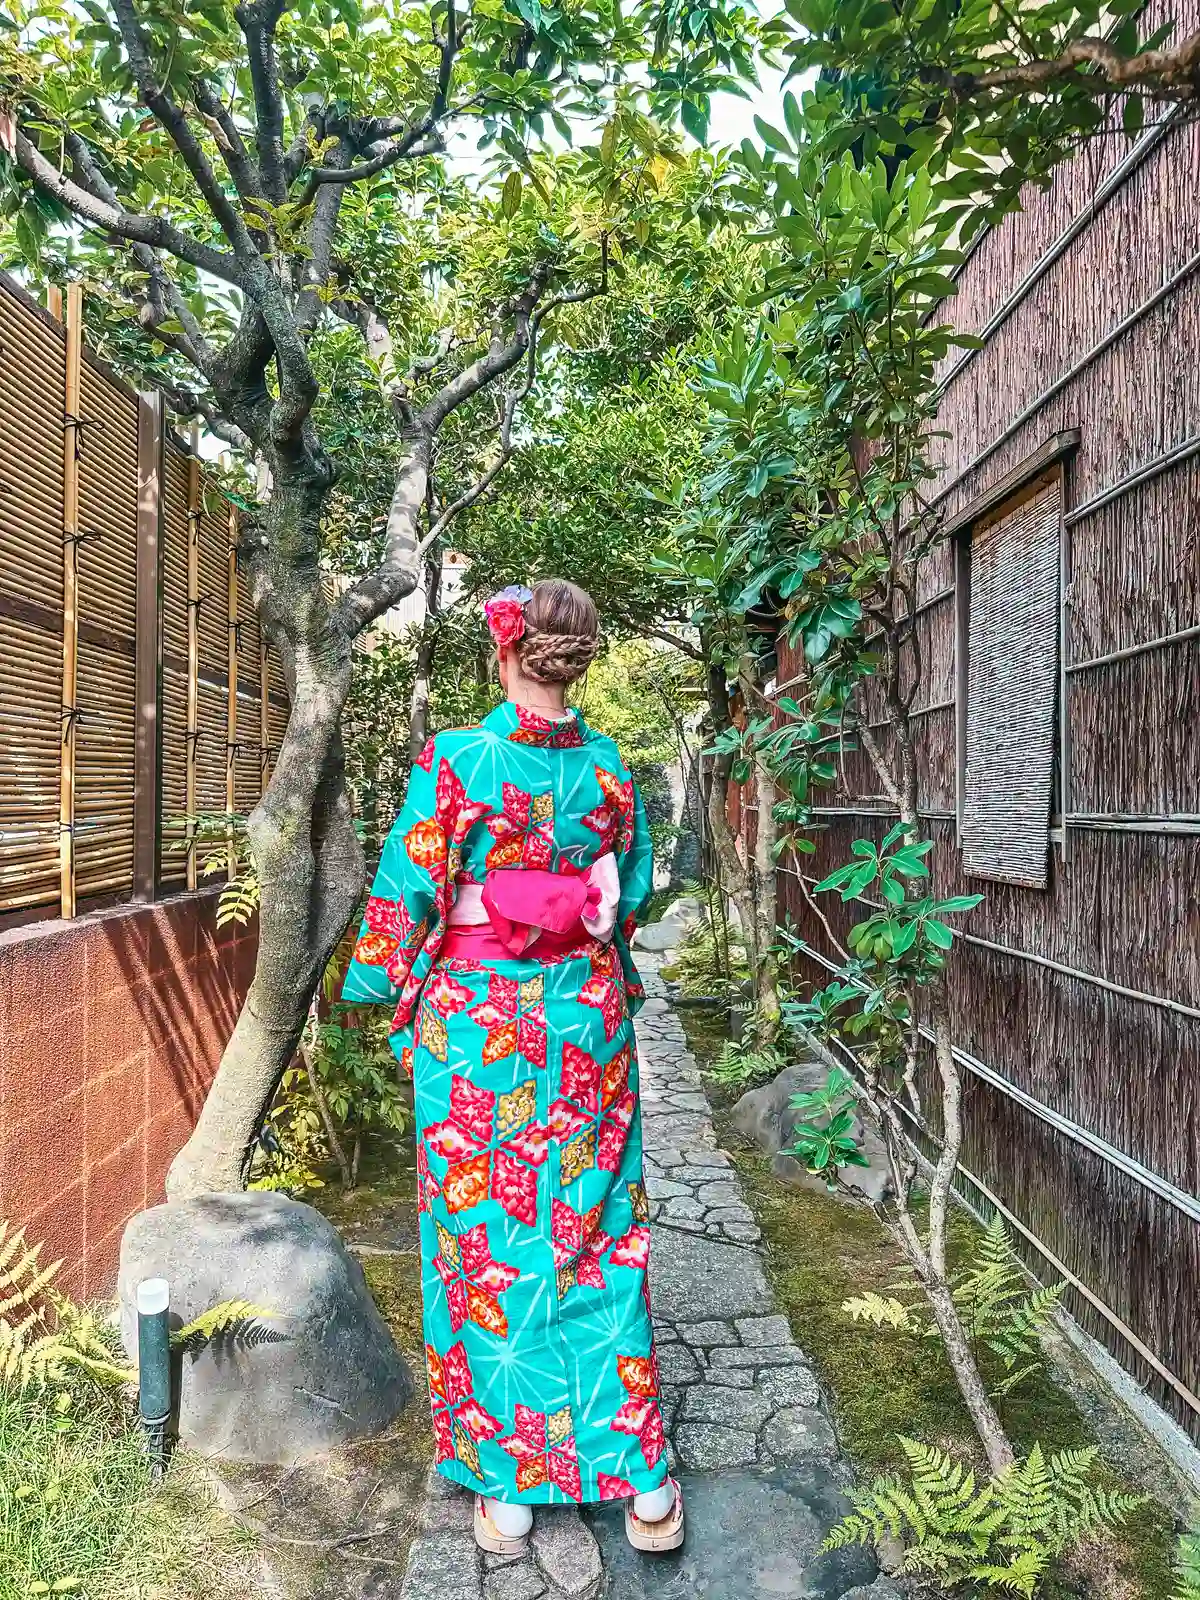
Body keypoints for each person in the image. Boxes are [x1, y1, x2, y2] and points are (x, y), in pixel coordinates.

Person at [341, 578, 684, 1555]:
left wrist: (390, 994)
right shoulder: (612, 770)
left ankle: (508, 1491)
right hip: (584, 1024)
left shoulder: (458, 762)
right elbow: (640, 887)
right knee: (598, 1229)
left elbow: (408, 892)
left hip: (476, 1031)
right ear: (578, 661)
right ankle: (644, 1487)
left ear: (508, 650)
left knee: (488, 1240)